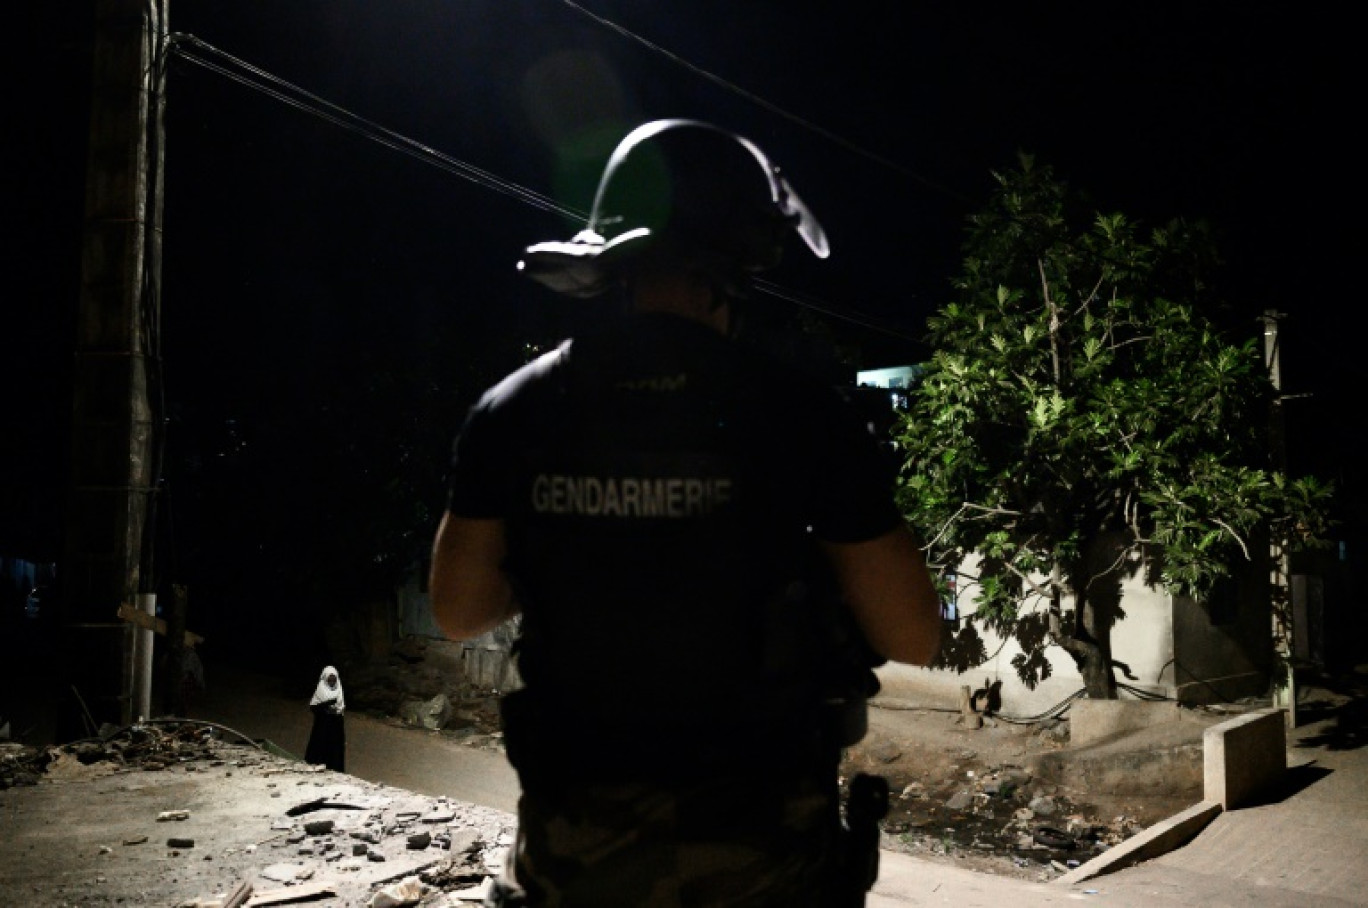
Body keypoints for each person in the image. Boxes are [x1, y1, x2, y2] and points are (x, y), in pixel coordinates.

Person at [429, 119, 941, 907]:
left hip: (572, 867)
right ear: (743, 263)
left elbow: (460, 612)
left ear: (612, 264)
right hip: (763, 868)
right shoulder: (803, 416)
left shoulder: (514, 410)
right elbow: (913, 632)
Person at [304, 665, 346, 772]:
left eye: (334, 680)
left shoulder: (339, 690)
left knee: (335, 749)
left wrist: (335, 711)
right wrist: (325, 707)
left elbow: (341, 708)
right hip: (322, 725)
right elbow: (314, 707)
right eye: (330, 680)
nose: (332, 682)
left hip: (336, 726)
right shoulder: (320, 690)